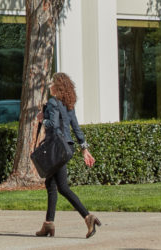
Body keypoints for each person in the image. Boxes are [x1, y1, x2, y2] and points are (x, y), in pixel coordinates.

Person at [34, 72, 101, 239]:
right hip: (67, 148)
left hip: (56, 149)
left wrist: (42, 119)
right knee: (51, 184)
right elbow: (76, 128)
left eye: (51, 83)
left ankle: (88, 217)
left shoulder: (52, 102)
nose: (49, 86)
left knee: (62, 188)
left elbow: (54, 126)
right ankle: (48, 224)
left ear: (57, 87)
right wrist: (84, 148)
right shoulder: (68, 104)